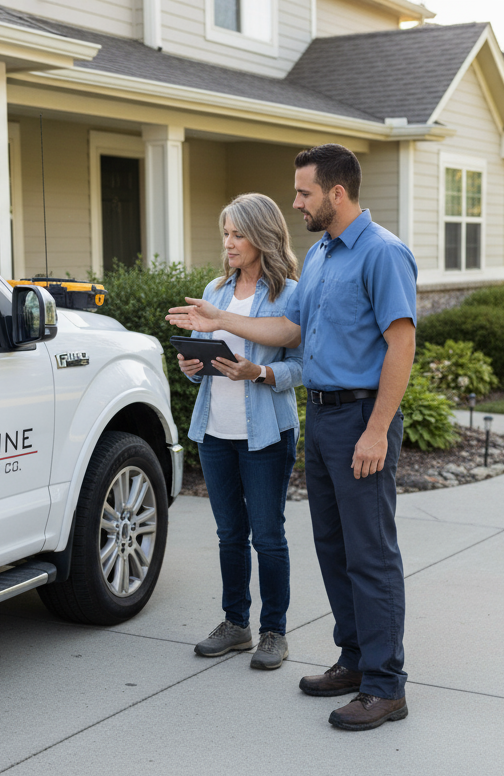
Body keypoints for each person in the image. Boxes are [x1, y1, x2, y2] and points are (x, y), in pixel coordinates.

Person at [168, 144, 417, 731]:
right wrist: (221, 319)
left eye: (304, 192)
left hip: (361, 419)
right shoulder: (323, 255)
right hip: (325, 418)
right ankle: (354, 660)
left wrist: (378, 428)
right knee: (334, 548)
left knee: (371, 555)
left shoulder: (383, 254)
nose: (296, 202)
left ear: (336, 193)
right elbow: (286, 328)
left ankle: (387, 686)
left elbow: (401, 343)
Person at [177, 193, 303, 671]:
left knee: (267, 536)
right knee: (230, 533)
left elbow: (302, 363)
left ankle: (274, 631)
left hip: (266, 434)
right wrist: (191, 365)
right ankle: (236, 624)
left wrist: (262, 374)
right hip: (215, 431)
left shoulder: (289, 294)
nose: (228, 243)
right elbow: (203, 366)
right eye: (225, 234)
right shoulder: (215, 291)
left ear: (262, 236)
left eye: (238, 234)